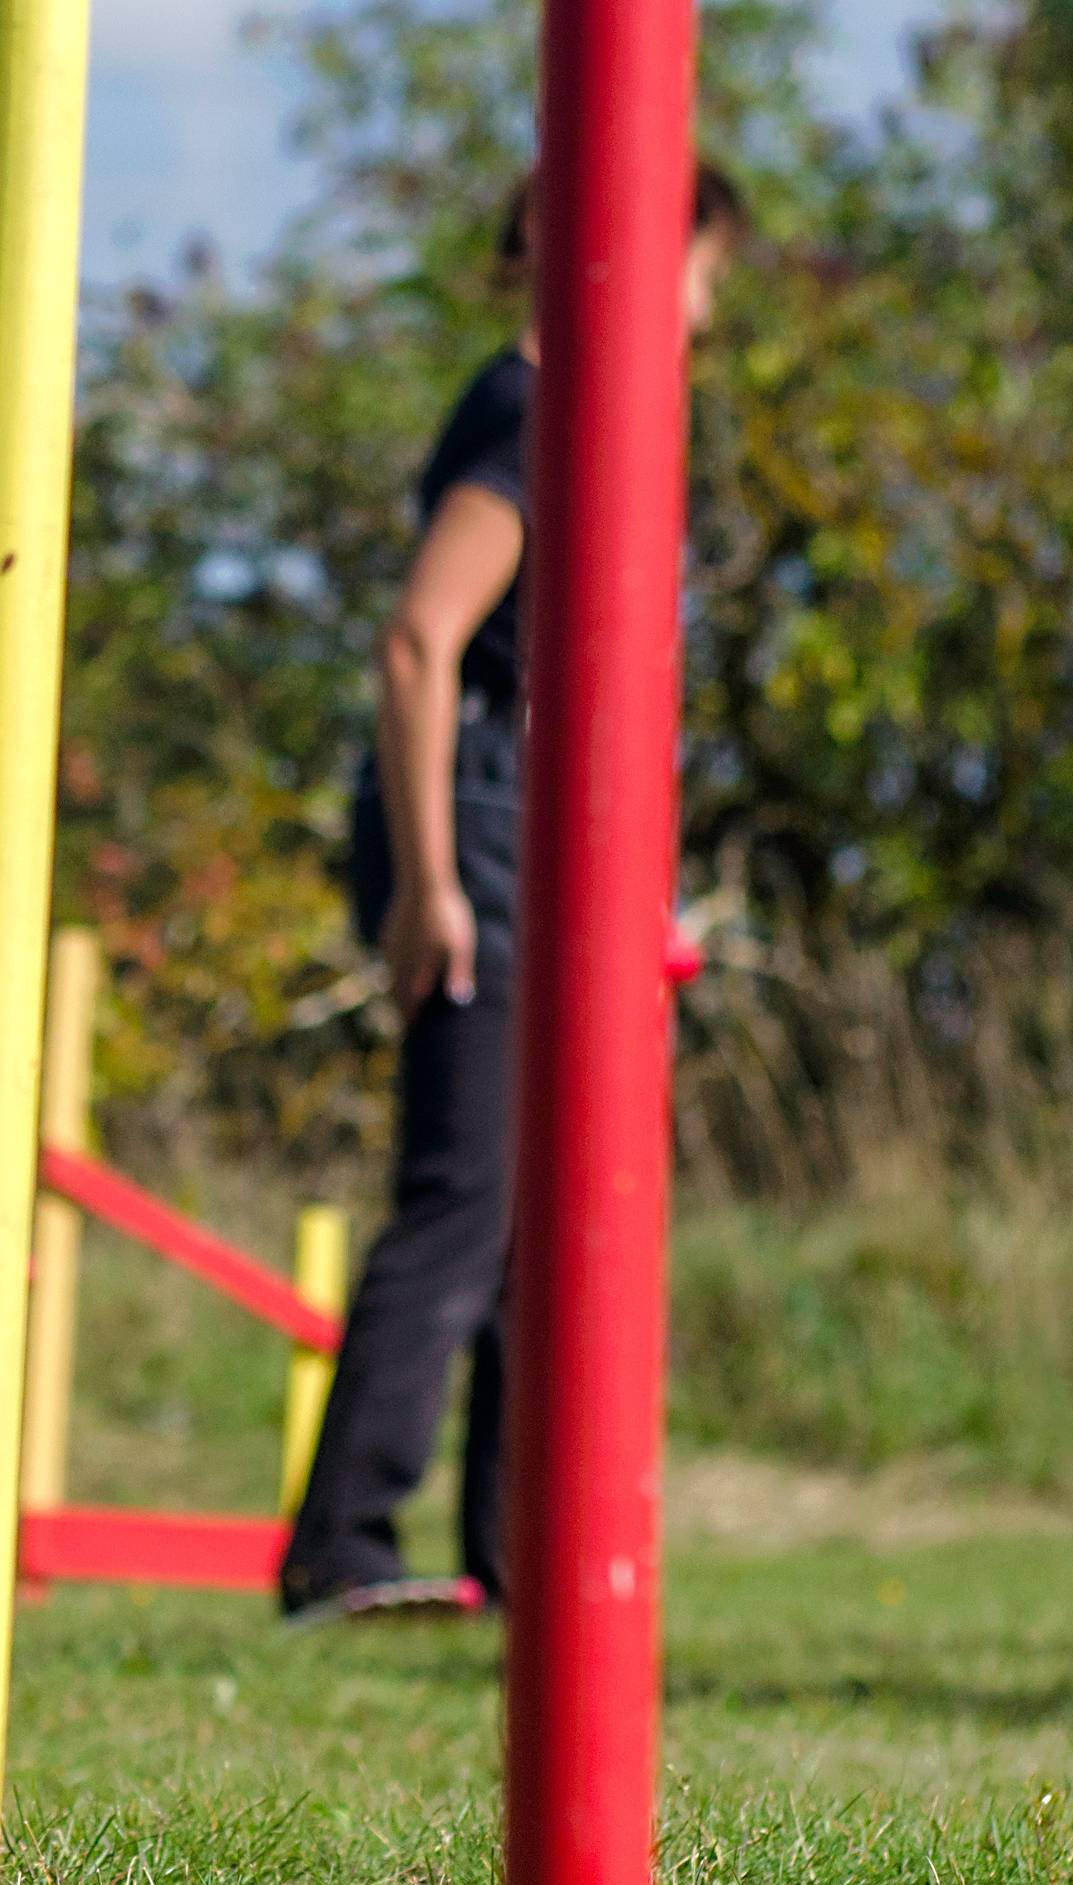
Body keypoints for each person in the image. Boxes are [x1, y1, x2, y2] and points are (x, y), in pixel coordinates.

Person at [279, 163, 746, 1624]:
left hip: (547, 843)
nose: (703, 316)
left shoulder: (584, 420)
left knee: (548, 1216)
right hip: (479, 835)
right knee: (466, 1199)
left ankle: (507, 1549)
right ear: (599, 248)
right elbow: (423, 641)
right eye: (698, 276)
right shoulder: (532, 410)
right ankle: (339, 1552)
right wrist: (432, 883)